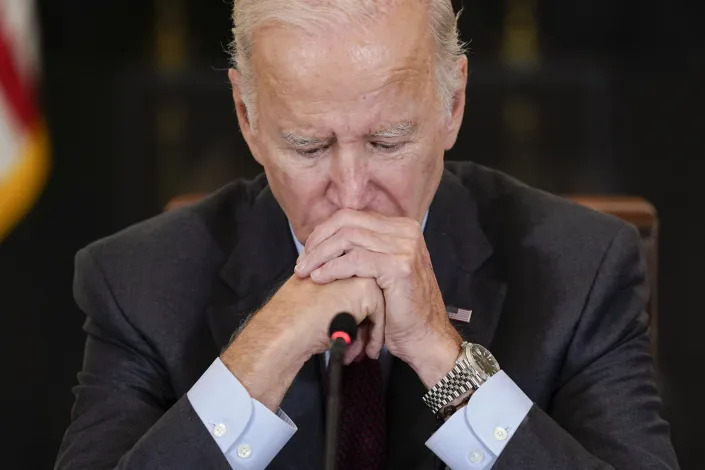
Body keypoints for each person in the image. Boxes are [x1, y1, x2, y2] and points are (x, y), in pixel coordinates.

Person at [55, 0, 678, 469]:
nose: (350, 194)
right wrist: (259, 355)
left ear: (453, 103)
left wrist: (444, 356)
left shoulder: (583, 268)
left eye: (387, 143)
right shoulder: (136, 282)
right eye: (308, 146)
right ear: (247, 117)